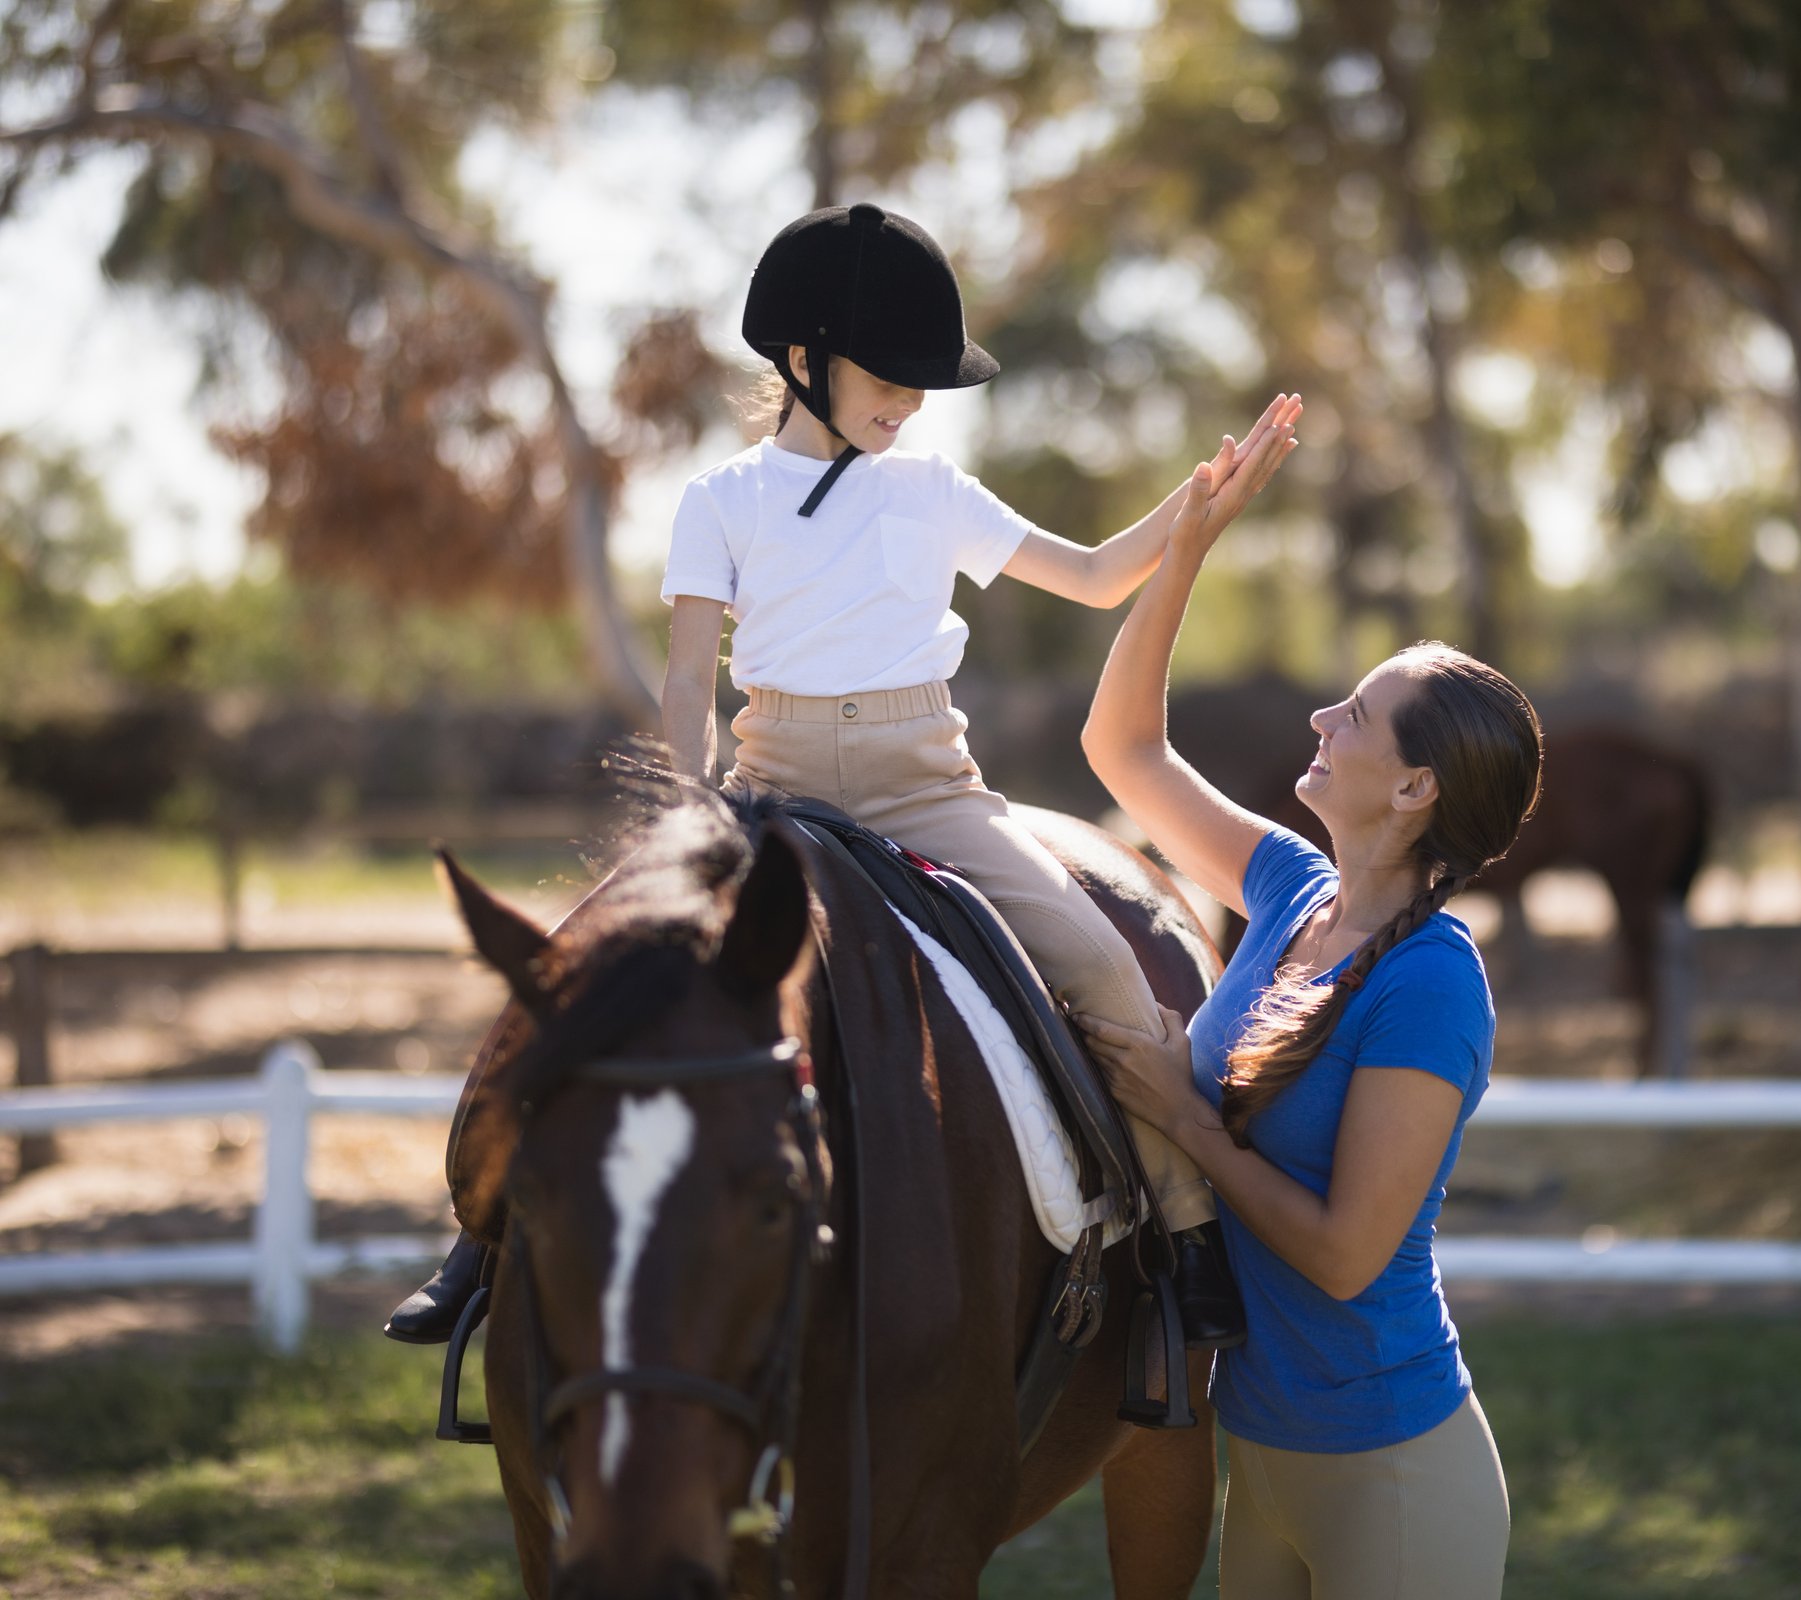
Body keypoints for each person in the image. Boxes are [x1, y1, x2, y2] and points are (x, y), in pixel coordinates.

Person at [387, 203, 1294, 1353]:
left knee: (1106, 968)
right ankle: (481, 1237)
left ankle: (1184, 1231)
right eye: (892, 378)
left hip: (933, 792)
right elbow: (685, 675)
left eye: (924, 387)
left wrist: (1197, 503)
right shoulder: (721, 499)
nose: (911, 405)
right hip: (772, 792)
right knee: (576, 971)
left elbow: (1102, 576)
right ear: (804, 360)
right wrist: (689, 798)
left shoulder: (932, 491)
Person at [1076, 448, 1541, 1598]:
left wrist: (1190, 1119)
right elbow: (1122, 748)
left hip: (1392, 1471)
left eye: (1362, 713)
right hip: (1266, 1458)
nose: (1324, 716)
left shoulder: (1431, 981)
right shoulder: (1289, 888)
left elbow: (1344, 1256)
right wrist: (1182, 551)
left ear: (1415, 787)